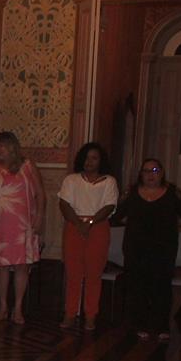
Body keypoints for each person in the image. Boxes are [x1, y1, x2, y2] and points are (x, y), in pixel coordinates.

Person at [113, 158, 181, 340]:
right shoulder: (131, 193)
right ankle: (137, 324)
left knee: (162, 286)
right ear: (141, 174)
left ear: (162, 173)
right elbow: (117, 215)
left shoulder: (173, 193)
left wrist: (179, 225)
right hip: (136, 248)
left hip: (163, 248)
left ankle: (160, 326)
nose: (151, 175)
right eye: (146, 171)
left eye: (155, 170)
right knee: (136, 286)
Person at [0, 131, 44, 324]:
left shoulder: (28, 166)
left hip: (23, 225)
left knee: (22, 265)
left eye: (2, 145)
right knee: (1, 265)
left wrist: (39, 217)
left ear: (12, 147)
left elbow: (40, 194)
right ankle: (3, 306)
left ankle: (18, 308)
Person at [58, 142, 119, 331]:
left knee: (94, 274)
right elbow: (64, 204)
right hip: (74, 226)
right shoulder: (71, 180)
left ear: (101, 161)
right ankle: (70, 313)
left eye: (94, 158)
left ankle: (90, 315)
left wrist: (90, 222)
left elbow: (109, 206)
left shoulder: (109, 181)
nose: (89, 162)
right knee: (73, 273)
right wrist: (78, 223)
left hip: (98, 228)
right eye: (86, 157)